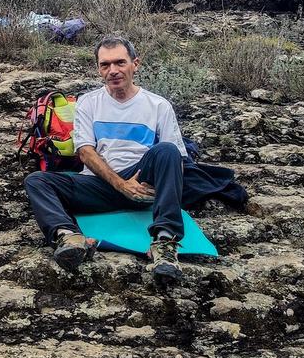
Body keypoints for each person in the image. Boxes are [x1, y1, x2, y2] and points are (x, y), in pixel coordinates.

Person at [23, 36, 192, 284]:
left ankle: (165, 244)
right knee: (37, 181)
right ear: (99, 69)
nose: (113, 71)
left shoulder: (158, 105)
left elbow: (176, 158)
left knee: (167, 150)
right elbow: (86, 152)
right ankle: (69, 237)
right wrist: (121, 185)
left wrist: (159, 186)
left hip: (141, 182)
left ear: (136, 64)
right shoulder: (88, 103)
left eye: (120, 63)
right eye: (105, 65)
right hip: (101, 183)